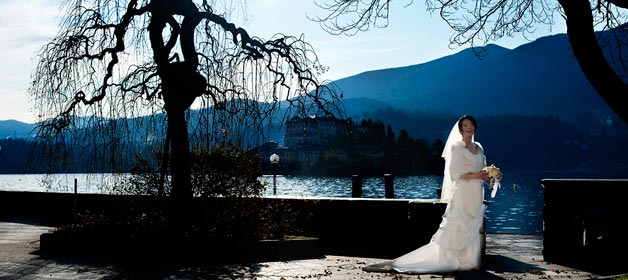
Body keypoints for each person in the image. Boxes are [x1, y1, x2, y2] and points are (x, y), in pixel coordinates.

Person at [364, 114, 491, 274]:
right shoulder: (456, 147)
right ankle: (452, 260)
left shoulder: (479, 147)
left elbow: (483, 169)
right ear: (460, 129)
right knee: (458, 224)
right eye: (465, 125)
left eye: (471, 124)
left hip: (477, 193)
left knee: (472, 226)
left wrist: (488, 178)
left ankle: (469, 260)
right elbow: (455, 174)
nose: (469, 127)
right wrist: (477, 176)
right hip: (463, 193)